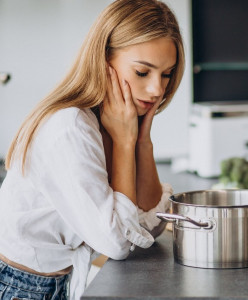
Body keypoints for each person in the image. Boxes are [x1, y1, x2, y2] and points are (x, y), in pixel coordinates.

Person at [0, 0, 185, 299]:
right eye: (142, 72)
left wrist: (141, 141)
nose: (157, 90)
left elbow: (149, 229)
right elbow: (118, 245)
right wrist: (126, 142)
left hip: (55, 284)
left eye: (166, 74)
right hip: (17, 287)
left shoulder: (112, 121)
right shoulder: (71, 126)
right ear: (104, 60)